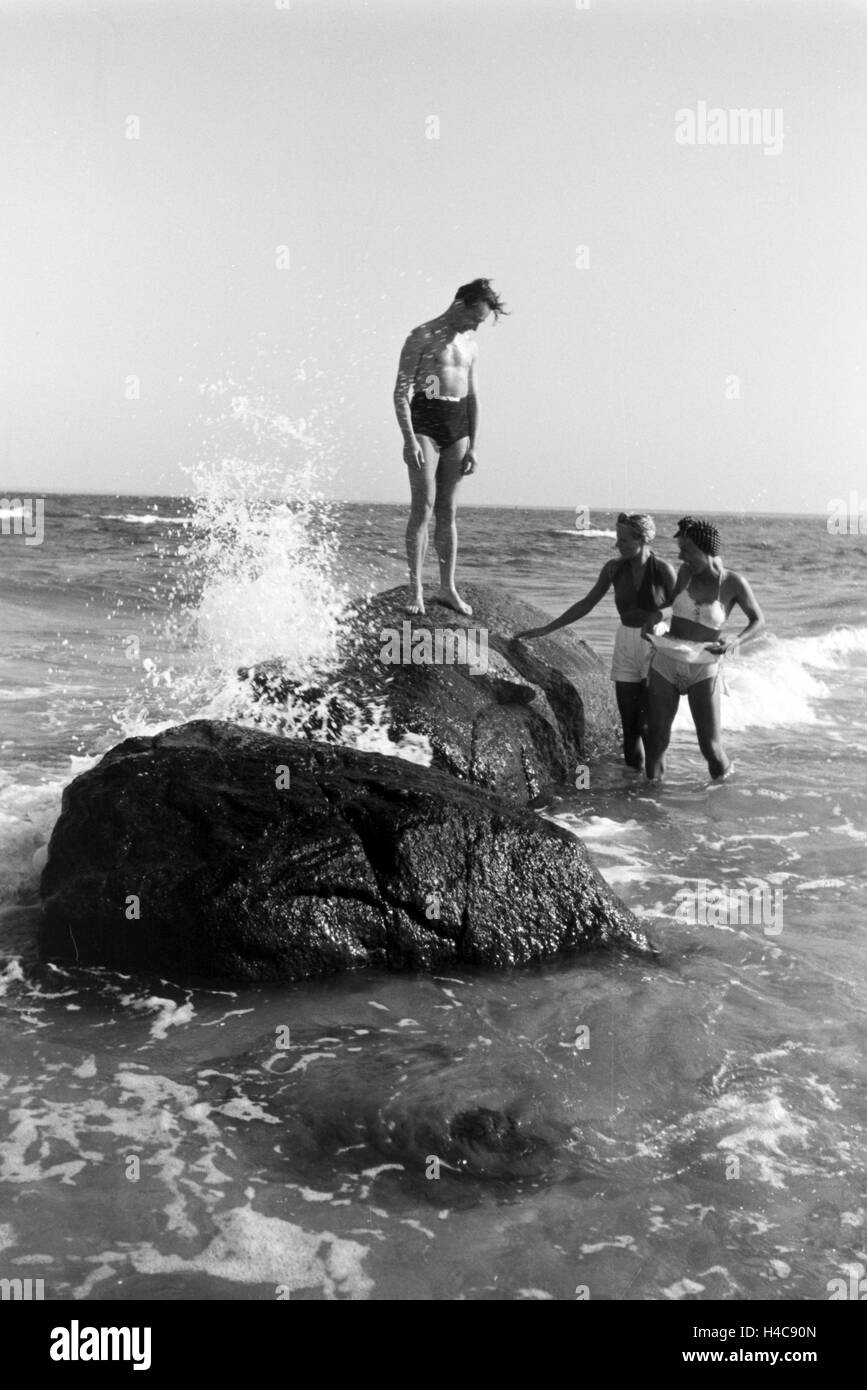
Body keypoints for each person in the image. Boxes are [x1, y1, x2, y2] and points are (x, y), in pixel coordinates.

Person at [514, 513, 677, 771]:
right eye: (617, 538)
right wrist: (547, 629)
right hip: (625, 642)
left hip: (656, 645)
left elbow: (680, 607)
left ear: (643, 539)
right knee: (630, 727)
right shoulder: (613, 569)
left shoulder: (663, 570)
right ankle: (634, 790)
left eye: (623, 540)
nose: (617, 545)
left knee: (649, 726)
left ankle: (654, 785)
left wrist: (660, 616)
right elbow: (586, 604)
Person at [393, 278, 509, 616]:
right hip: (426, 418)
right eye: (476, 317)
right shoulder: (422, 336)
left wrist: (473, 444)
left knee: (449, 512)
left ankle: (447, 588)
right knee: (423, 507)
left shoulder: (470, 345)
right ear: (461, 305)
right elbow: (401, 392)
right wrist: (409, 438)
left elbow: (473, 397)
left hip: (457, 422)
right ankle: (415, 590)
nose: (476, 325)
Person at [642, 516, 765, 782]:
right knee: (657, 739)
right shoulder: (685, 573)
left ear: (706, 550)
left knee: (710, 747)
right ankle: (649, 803)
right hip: (666, 660)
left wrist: (735, 641)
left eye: (687, 550)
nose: (681, 556)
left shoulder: (733, 583)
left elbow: (758, 621)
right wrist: (656, 617)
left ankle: (723, 801)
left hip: (704, 668)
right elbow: (671, 606)